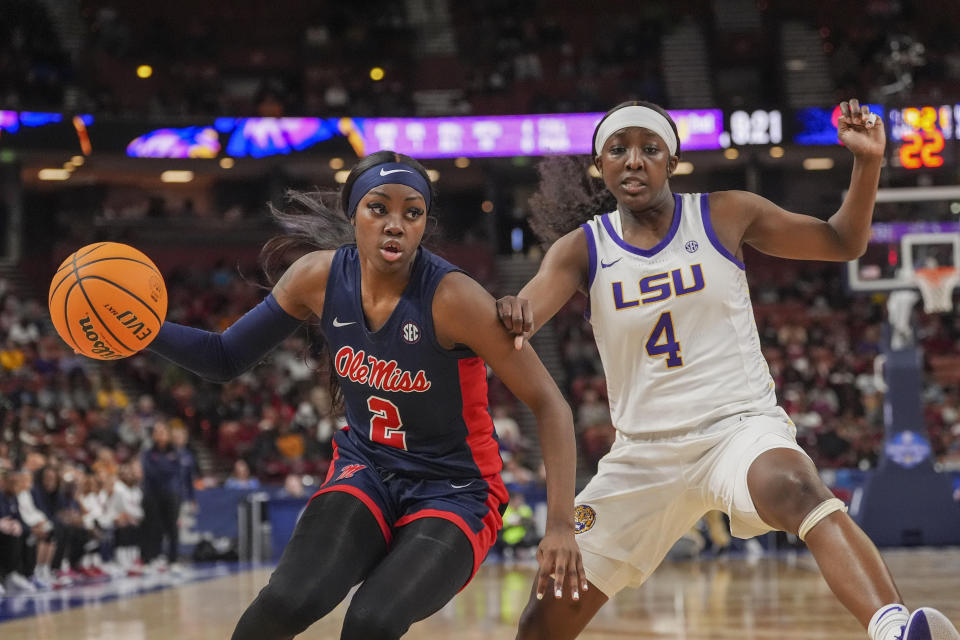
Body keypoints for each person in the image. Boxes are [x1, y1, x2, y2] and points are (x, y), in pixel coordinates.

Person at [497, 99, 960, 640]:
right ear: (600, 167)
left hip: (737, 427)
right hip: (642, 452)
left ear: (672, 162)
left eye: (650, 149)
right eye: (618, 150)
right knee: (545, 616)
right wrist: (508, 310)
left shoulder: (724, 213)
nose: (633, 161)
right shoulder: (582, 249)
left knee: (794, 484)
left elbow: (843, 241)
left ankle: (895, 629)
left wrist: (867, 164)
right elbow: (520, 322)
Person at [146, 150, 583, 640]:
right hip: (367, 469)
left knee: (371, 621)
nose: (394, 224)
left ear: (423, 225)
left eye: (411, 213)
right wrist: (143, 330)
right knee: (286, 601)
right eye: (379, 208)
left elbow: (550, 403)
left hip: (456, 489)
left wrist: (561, 525)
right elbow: (224, 357)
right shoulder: (317, 276)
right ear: (353, 212)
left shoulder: (455, 299)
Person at [140, 421, 182, 567]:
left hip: (171, 494)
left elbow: (174, 471)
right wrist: (164, 468)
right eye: (157, 432)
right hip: (153, 495)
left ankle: (173, 560)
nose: (160, 435)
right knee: (153, 527)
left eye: (163, 432)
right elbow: (150, 472)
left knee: (172, 527)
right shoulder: (148, 453)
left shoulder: (176, 452)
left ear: (168, 435)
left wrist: (162, 468)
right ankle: (152, 558)